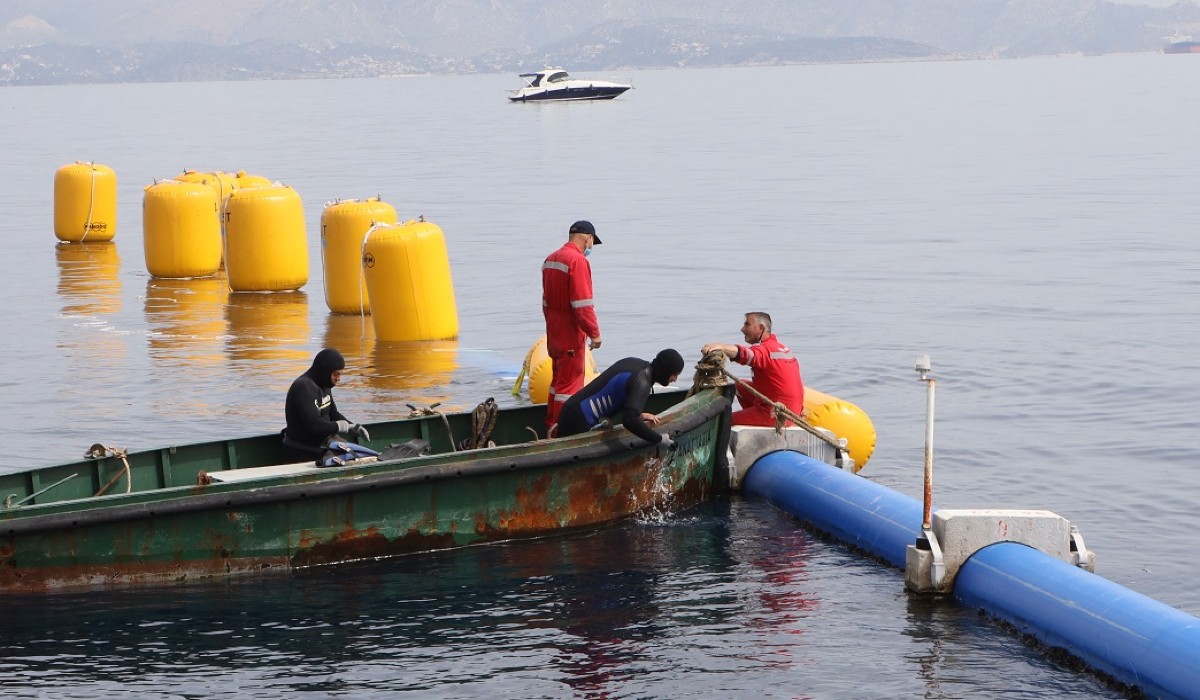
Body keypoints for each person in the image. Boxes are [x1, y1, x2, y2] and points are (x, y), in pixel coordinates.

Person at [542, 219, 603, 434]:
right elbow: (583, 305)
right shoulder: (577, 261)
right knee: (569, 388)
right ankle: (563, 434)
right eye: (592, 242)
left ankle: (550, 426)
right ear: (587, 238)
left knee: (557, 384)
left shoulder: (550, 260)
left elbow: (546, 303)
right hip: (570, 335)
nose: (590, 247)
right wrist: (595, 334)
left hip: (554, 333)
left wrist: (553, 327)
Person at [556, 348, 685, 447]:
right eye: (674, 374)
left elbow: (618, 393)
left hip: (571, 410)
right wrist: (660, 439)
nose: (675, 379)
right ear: (665, 370)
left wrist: (638, 414)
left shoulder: (635, 364)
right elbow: (629, 420)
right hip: (579, 420)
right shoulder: (643, 382)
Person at [701, 312, 804, 426]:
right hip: (791, 408)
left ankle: (754, 419)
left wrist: (721, 347)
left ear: (761, 328)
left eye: (747, 325)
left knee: (723, 420)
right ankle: (752, 416)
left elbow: (746, 354)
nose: (742, 329)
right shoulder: (780, 347)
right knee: (739, 385)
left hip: (778, 413)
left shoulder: (765, 350)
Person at [282, 348, 370, 462]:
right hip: (302, 448)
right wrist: (342, 426)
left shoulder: (324, 384)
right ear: (325, 371)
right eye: (336, 374)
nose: (338, 379)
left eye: (340, 374)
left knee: (360, 455)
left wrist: (352, 427)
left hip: (322, 443)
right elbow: (314, 426)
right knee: (352, 457)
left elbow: (333, 414)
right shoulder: (304, 387)